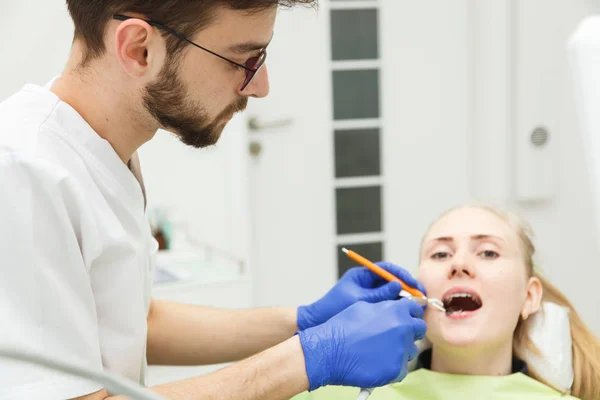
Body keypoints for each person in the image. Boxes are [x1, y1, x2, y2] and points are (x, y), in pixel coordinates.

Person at [0, 1, 429, 399]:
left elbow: (136, 322)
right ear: (139, 49)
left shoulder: (97, 149)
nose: (260, 87)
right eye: (244, 60)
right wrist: (308, 359)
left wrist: (302, 321)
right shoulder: (24, 173)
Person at [292, 205, 600, 400]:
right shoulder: (331, 392)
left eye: (488, 252)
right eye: (440, 254)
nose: (459, 264)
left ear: (529, 297)